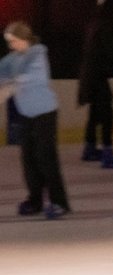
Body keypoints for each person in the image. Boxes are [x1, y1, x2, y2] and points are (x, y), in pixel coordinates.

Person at [0, 21, 70, 219]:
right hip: (26, 115)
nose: (11, 45)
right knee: (28, 158)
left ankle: (59, 202)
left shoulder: (38, 54)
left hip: (45, 114)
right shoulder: (12, 58)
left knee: (46, 158)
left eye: (13, 41)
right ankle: (35, 200)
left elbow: (34, 77)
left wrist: (10, 86)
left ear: (24, 39)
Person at [78, 0, 113, 169]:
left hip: (89, 74)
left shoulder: (95, 21)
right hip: (97, 75)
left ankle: (90, 147)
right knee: (107, 113)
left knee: (95, 111)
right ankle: (108, 154)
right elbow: (112, 51)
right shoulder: (106, 24)